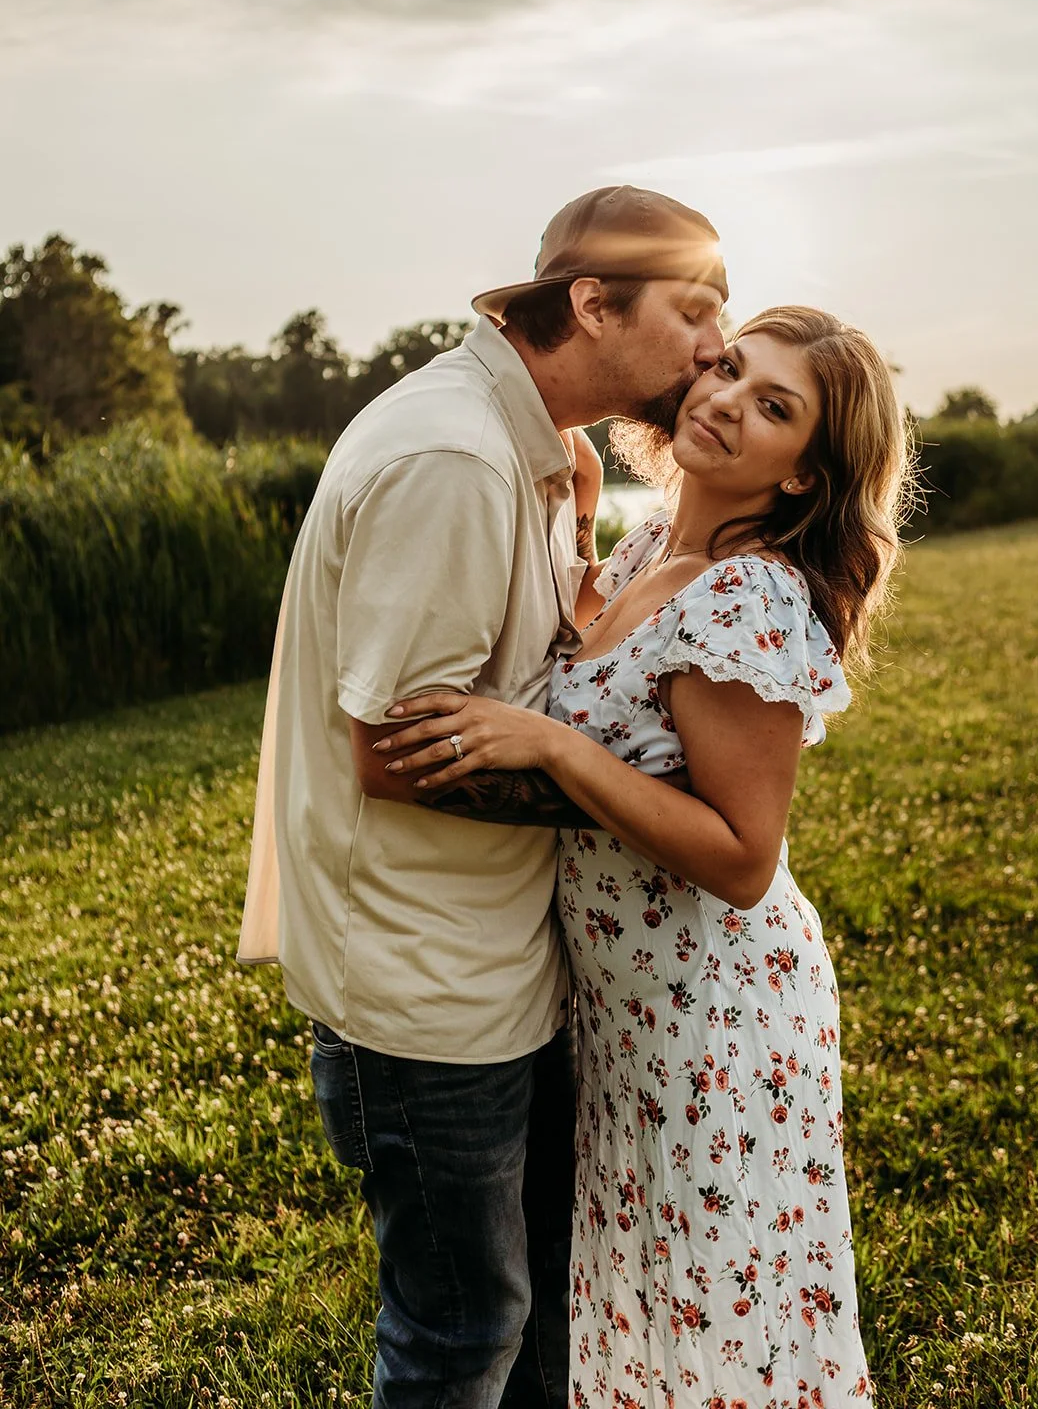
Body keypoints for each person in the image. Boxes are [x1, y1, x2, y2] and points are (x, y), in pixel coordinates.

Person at [237, 185, 731, 1409]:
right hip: (424, 990)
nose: (717, 347)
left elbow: (516, 674)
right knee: (464, 1327)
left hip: (498, 958)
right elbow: (393, 754)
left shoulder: (522, 448)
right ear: (591, 304)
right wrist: (641, 800)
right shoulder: (452, 458)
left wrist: (573, 524)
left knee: (544, 1302)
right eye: (695, 310)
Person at [378, 305, 911, 1407]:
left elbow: (740, 855)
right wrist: (573, 511)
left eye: (773, 408)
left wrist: (554, 747)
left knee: (728, 1316)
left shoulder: (748, 597)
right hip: (633, 1013)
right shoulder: (650, 548)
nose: (721, 400)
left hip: (719, 1013)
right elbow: (589, 649)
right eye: (727, 369)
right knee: (652, 1300)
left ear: (804, 476)